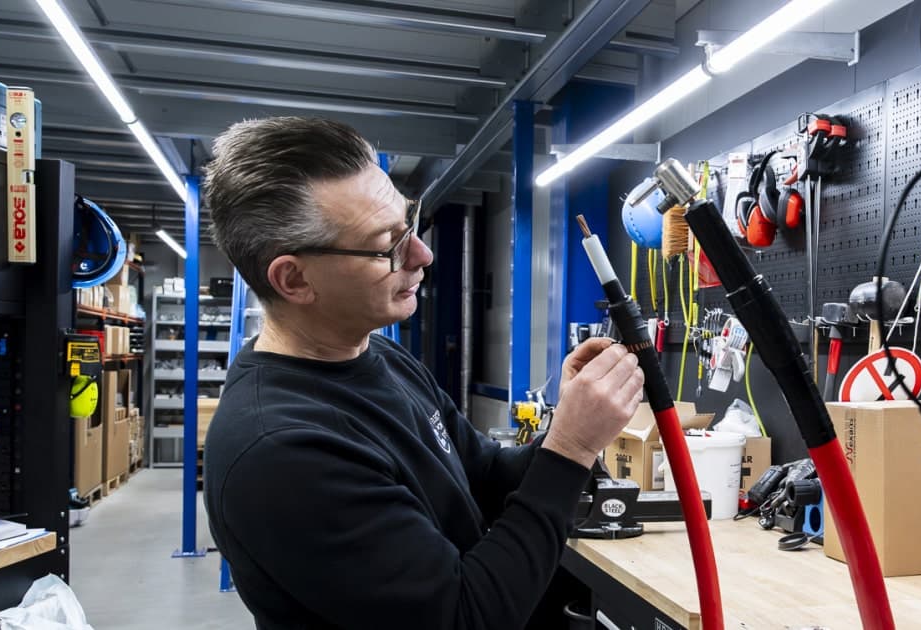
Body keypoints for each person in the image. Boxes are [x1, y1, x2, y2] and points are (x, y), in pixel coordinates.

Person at [201, 116, 644, 629]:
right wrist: (571, 450)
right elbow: (464, 617)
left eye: (410, 225)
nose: (422, 254)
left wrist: (567, 426)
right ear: (294, 279)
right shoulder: (280, 451)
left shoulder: (380, 357)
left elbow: (484, 478)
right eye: (388, 245)